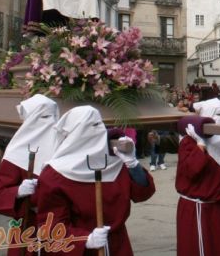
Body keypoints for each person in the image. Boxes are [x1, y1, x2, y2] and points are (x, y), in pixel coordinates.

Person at [36, 106, 155, 256]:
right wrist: (84, 239)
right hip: (79, 250)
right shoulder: (54, 174)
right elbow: (52, 226)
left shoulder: (115, 162)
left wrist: (133, 164)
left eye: (99, 124)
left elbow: (143, 194)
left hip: (118, 245)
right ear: (75, 133)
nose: (98, 130)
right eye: (90, 126)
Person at [0, 94, 59, 255]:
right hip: (28, 225)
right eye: (43, 117)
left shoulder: (64, 145)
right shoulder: (17, 151)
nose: (49, 122)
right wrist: (18, 192)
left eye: (51, 116)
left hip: (60, 225)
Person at [176, 99, 220, 256]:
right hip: (199, 210)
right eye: (217, 114)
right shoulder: (189, 141)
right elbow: (191, 170)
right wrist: (200, 145)